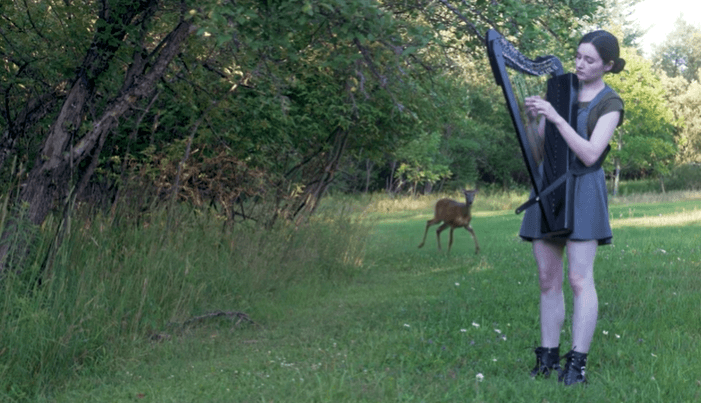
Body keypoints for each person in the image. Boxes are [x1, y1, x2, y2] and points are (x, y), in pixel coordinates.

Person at [520, 30, 625, 386]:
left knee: (580, 279)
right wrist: (533, 120)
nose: (580, 64)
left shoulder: (610, 103)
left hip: (584, 191)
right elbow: (538, 150)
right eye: (578, 56)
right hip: (548, 186)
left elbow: (591, 154)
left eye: (590, 60)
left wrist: (557, 117)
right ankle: (547, 357)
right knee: (547, 279)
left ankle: (576, 364)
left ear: (608, 65)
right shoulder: (560, 90)